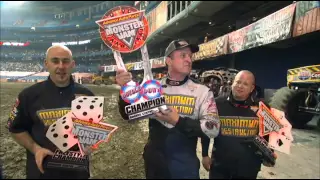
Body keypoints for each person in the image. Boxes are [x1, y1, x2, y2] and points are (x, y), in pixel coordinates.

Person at [116, 39, 221, 179]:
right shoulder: (152, 88)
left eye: (190, 56)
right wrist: (124, 92)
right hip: (155, 165)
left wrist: (178, 121)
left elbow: (213, 129)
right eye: (183, 55)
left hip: (185, 167)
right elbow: (128, 115)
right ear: (169, 61)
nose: (189, 60)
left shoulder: (202, 92)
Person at [7, 45, 95, 179]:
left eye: (65, 61)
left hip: (77, 172)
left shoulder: (87, 95)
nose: (61, 66)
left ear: (72, 64)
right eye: (55, 61)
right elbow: (16, 128)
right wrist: (36, 149)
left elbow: (90, 131)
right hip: (41, 171)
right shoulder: (28, 95)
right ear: (46, 64)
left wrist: (89, 144)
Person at [201, 70, 277, 179]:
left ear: (252, 88)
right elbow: (206, 130)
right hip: (220, 167)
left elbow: (270, 134)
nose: (240, 86)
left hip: (248, 168)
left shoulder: (262, 108)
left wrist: (269, 154)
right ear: (233, 83)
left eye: (245, 84)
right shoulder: (217, 104)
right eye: (238, 82)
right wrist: (204, 155)